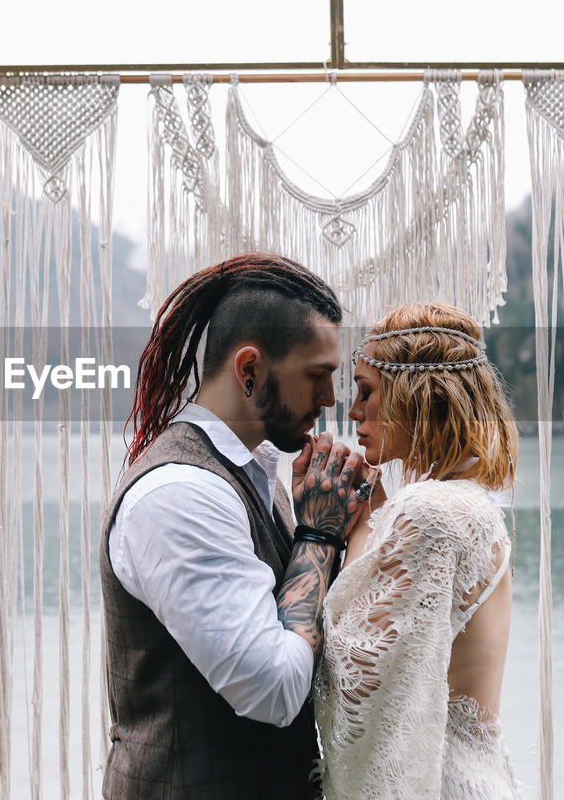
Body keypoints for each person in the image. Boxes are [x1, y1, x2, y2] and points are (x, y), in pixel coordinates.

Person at [100, 253, 372, 799]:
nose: (330, 399)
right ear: (248, 370)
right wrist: (318, 536)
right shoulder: (180, 494)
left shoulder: (257, 470)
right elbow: (274, 689)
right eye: (316, 376)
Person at [315, 302, 525, 799]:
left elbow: (356, 678)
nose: (352, 411)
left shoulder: (430, 510)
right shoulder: (469, 505)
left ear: (416, 397)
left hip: (438, 783)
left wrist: (334, 533)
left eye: (366, 392)